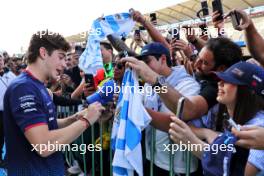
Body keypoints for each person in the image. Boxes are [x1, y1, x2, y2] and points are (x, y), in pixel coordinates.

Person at [3, 31, 105, 175]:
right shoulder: (23, 88)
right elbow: (44, 145)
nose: (64, 64)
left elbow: (46, 124)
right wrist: (86, 121)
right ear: (43, 53)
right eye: (61, 57)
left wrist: (74, 118)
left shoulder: (38, 86)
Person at [122, 37, 242, 130]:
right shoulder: (204, 77)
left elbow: (187, 110)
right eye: (196, 57)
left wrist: (154, 81)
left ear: (221, 68)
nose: (196, 64)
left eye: (204, 62)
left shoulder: (215, 87)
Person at [169, 62, 264, 175]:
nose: (220, 83)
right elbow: (190, 126)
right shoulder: (219, 110)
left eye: (229, 80)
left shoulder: (259, 126)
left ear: (247, 90)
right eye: (220, 78)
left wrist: (192, 142)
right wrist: (207, 133)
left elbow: (242, 172)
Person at [137, 42, 200, 175]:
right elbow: (140, 104)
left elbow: (179, 120)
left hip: (179, 165)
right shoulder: (149, 84)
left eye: (147, 61)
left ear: (163, 59)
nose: (144, 67)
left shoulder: (187, 84)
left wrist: (135, 109)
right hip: (153, 158)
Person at [0, 53, 16, 167]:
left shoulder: (11, 75)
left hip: (9, 112)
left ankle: (8, 158)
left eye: (0, 58)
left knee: (11, 135)